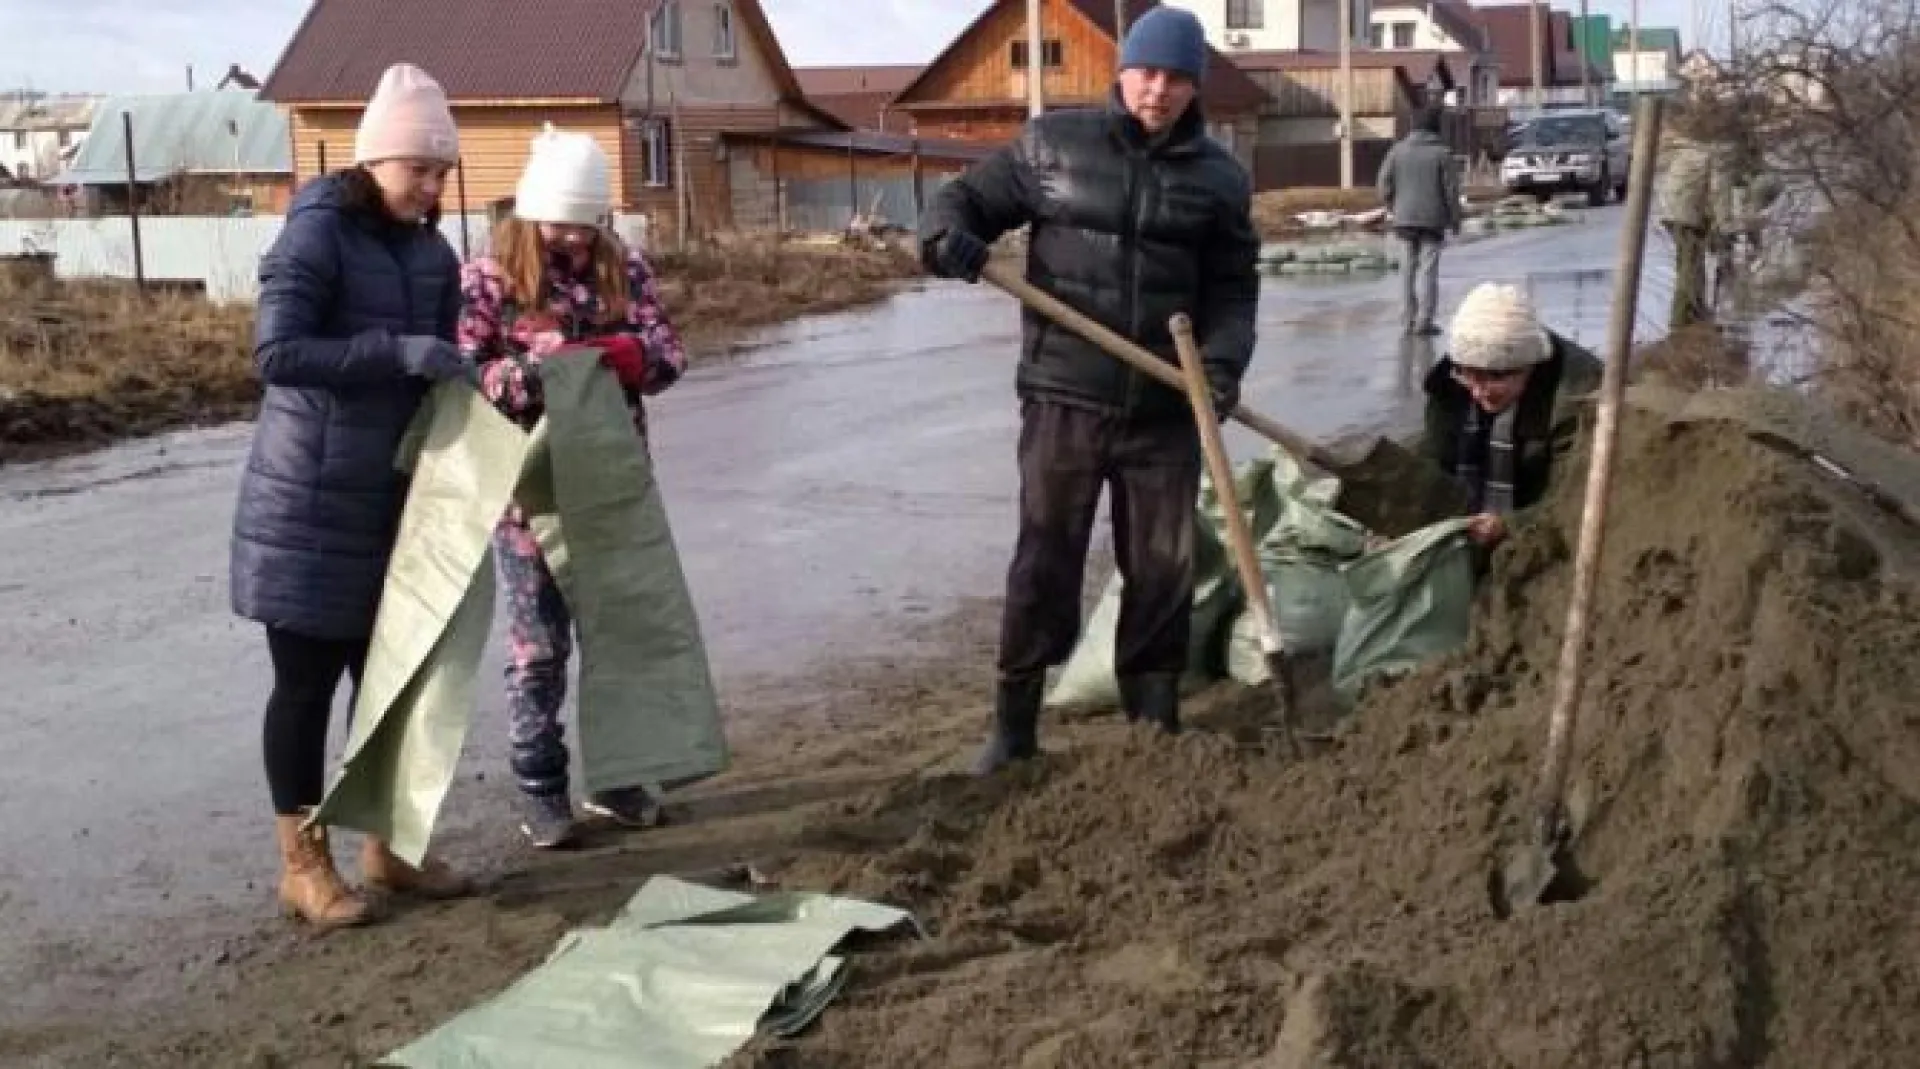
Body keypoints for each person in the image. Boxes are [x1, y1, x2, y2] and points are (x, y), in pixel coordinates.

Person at [917, 5, 1260, 772]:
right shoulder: (1052, 146)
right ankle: (1014, 727)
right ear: (1122, 72)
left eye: (1176, 79)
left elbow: (1235, 292)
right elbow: (961, 201)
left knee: (1165, 562)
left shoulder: (1220, 179)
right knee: (1045, 556)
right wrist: (946, 240)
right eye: (1147, 73)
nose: (1159, 90)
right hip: (1064, 393)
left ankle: (1154, 718)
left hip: (1167, 404)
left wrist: (1224, 365)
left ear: (1194, 88)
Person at [230, 63, 475, 930]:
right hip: (306, 505)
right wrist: (395, 353)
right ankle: (303, 864)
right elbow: (277, 356)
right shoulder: (315, 236)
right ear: (377, 160)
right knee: (304, 687)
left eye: (443, 170)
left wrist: (466, 388)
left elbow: (437, 360)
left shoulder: (434, 252)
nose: (434, 185)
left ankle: (391, 847)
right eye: (421, 169)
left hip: (392, 504)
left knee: (392, 684)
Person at [456, 124, 690, 849]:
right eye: (560, 228)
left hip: (614, 488)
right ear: (531, 216)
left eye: (586, 229)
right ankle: (541, 787)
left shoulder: (625, 269)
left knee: (618, 638)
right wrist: (522, 376)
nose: (574, 244)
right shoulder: (489, 278)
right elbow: (463, 373)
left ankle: (619, 777)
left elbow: (669, 353)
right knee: (540, 650)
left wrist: (619, 354)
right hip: (532, 499)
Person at [1419, 282, 1602, 552]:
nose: (1479, 391)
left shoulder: (1575, 394)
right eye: (1468, 373)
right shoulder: (1450, 384)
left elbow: (1572, 498)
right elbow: (1434, 461)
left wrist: (1511, 524)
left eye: (1495, 376)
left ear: (1529, 366)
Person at [1378, 104, 1462, 336]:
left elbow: (1384, 183)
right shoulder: (1442, 154)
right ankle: (1424, 320)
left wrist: (1392, 206)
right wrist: (1455, 219)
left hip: (1404, 219)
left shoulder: (1397, 151)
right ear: (1436, 128)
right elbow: (1451, 191)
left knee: (1406, 270)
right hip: (1433, 220)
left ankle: (1407, 319)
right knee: (1428, 271)